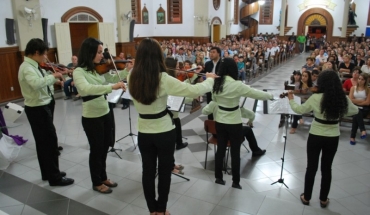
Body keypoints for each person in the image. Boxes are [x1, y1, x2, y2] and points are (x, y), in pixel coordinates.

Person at [128, 38, 217, 215]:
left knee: (147, 171)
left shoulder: (131, 75)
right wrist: (209, 80)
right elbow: (193, 91)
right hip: (164, 131)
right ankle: (161, 210)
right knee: (164, 171)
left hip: (143, 131)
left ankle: (152, 210)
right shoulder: (163, 78)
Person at [287, 70, 358, 208]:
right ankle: (324, 199)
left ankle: (307, 197)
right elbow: (354, 110)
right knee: (327, 168)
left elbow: (300, 110)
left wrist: (291, 100)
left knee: (311, 167)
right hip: (333, 137)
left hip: (316, 135)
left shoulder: (316, 98)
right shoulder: (341, 99)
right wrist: (341, 110)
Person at [209, 58, 273, 189]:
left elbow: (214, 99)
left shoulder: (215, 83)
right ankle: (235, 182)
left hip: (220, 120)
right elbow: (256, 94)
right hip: (234, 122)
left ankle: (218, 178)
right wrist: (270, 96)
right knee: (235, 152)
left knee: (220, 150)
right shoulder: (237, 85)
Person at [73, 38, 126, 194]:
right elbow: (86, 89)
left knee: (104, 148)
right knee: (96, 150)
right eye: (99, 52)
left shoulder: (95, 69)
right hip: (92, 117)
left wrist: (125, 70)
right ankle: (96, 182)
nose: (102, 55)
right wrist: (111, 87)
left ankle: (103, 177)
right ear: (90, 52)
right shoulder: (79, 71)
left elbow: (110, 78)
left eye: (102, 52)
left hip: (105, 112)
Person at [18, 38, 74, 186]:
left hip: (42, 106)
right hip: (37, 109)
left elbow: (40, 81)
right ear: (36, 52)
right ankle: (54, 178)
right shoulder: (27, 67)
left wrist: (54, 81)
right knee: (49, 143)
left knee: (43, 143)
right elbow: (36, 84)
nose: (45, 57)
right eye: (44, 54)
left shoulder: (34, 65)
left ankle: (48, 172)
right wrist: (53, 76)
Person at [202, 101, 266, 156]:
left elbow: (204, 111)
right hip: (231, 135)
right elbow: (252, 114)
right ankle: (256, 151)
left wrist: (210, 105)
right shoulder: (235, 104)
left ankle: (221, 153)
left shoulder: (214, 103)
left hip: (216, 134)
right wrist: (250, 121)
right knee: (248, 130)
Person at [349, 73, 370, 145]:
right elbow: (350, 99)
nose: (360, 81)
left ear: (365, 81)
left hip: (364, 109)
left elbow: (367, 103)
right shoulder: (353, 88)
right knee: (356, 112)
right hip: (354, 107)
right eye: (359, 79)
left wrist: (357, 102)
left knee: (357, 113)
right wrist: (362, 101)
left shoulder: (368, 90)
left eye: (362, 79)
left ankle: (352, 137)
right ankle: (363, 130)